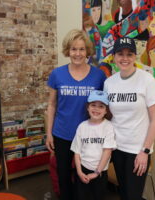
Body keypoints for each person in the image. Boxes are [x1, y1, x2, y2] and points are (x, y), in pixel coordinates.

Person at [46, 29, 106, 200]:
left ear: (87, 51)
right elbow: (51, 104)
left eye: (81, 49)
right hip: (62, 133)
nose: (77, 53)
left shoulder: (98, 75)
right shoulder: (57, 74)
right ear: (68, 51)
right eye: (73, 49)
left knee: (86, 176)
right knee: (63, 176)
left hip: (89, 135)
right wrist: (49, 133)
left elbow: (104, 106)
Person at [104, 37, 155, 200]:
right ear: (114, 57)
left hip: (137, 150)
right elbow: (109, 115)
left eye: (129, 54)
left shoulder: (147, 80)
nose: (125, 58)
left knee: (133, 195)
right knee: (123, 192)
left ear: (135, 56)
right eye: (120, 54)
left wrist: (145, 151)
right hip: (117, 147)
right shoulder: (109, 83)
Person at [71, 90, 116, 200]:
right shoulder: (82, 126)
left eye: (101, 106)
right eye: (93, 105)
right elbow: (77, 152)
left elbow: (107, 151)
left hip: (99, 172)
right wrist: (79, 172)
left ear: (106, 110)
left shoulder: (108, 127)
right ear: (88, 107)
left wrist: (97, 172)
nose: (96, 109)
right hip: (82, 170)